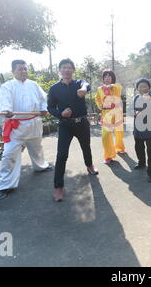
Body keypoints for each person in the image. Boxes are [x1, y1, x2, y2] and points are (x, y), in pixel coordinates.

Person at [0, 60, 53, 200]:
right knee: (9, 155)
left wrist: (44, 109)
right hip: (16, 126)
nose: (24, 71)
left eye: (25, 69)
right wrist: (6, 111)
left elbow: (43, 98)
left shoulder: (34, 84)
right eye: (20, 69)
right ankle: (5, 185)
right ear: (13, 71)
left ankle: (40, 166)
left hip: (33, 123)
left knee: (37, 148)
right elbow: (4, 103)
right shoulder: (7, 86)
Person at [48, 58, 99, 202]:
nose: (66, 70)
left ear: (73, 70)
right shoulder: (54, 88)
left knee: (86, 147)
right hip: (65, 125)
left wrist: (84, 90)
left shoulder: (79, 83)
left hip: (82, 122)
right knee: (62, 155)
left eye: (69, 67)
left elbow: (86, 84)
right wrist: (60, 114)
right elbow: (50, 107)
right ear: (59, 70)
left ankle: (89, 165)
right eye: (63, 67)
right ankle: (58, 187)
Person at [95, 69, 125, 164]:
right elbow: (97, 99)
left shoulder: (117, 86)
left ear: (113, 78)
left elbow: (118, 89)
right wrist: (101, 106)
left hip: (117, 113)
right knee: (105, 135)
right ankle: (108, 156)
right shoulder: (100, 89)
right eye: (105, 76)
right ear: (103, 78)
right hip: (106, 114)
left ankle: (119, 147)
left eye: (109, 76)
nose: (107, 78)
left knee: (119, 132)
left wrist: (111, 86)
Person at [133, 78, 151, 182]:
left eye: (145, 86)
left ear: (148, 87)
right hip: (138, 128)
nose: (143, 88)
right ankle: (141, 163)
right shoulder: (135, 98)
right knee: (138, 147)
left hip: (150, 129)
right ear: (137, 88)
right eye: (140, 86)